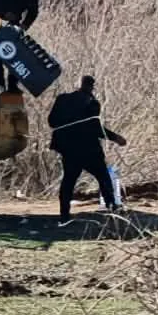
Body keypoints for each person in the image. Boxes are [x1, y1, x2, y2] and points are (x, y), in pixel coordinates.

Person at [47, 75, 127, 220]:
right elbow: (95, 127)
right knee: (103, 177)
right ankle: (112, 208)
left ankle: (64, 213)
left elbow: (52, 122)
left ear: (79, 84)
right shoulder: (92, 103)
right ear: (91, 87)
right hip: (88, 149)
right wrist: (115, 138)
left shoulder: (62, 99)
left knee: (69, 180)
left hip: (68, 149)